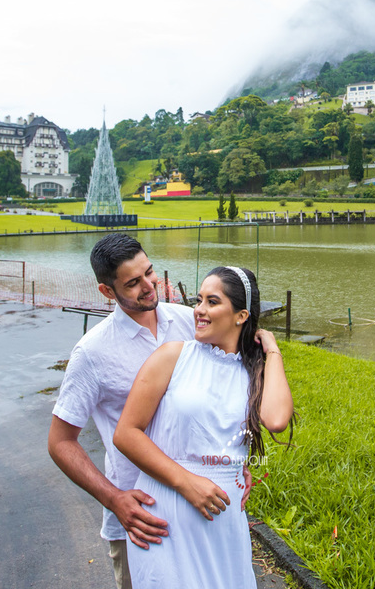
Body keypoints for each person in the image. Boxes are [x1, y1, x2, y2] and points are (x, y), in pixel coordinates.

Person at [47, 234, 251, 589]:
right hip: (142, 518)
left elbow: (225, 391)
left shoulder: (190, 321)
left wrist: (237, 459)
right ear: (107, 292)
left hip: (205, 508)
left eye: (149, 272)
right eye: (132, 282)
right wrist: (114, 499)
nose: (148, 285)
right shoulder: (92, 353)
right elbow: (60, 442)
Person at [114, 265, 294, 589]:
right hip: (166, 518)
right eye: (199, 300)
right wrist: (186, 482)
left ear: (240, 316)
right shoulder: (173, 356)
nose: (199, 310)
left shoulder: (253, 373)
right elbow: (126, 433)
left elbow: (277, 420)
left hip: (222, 528)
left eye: (212, 302)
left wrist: (271, 348)